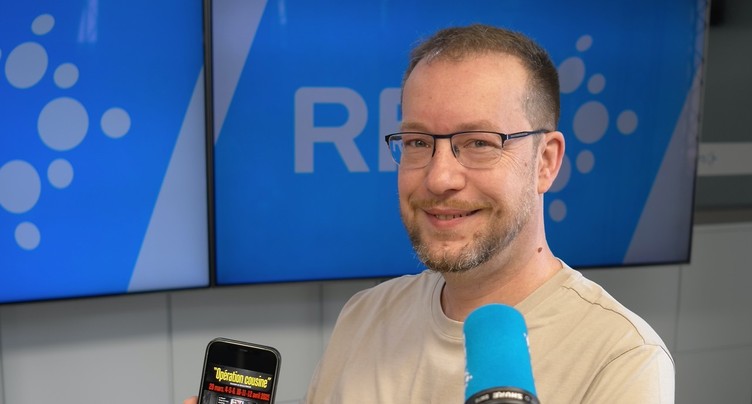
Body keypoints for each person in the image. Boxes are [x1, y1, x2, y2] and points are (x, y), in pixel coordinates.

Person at [302, 24, 675, 403]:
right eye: (417, 142)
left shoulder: (620, 359)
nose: (439, 178)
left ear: (545, 162)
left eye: (479, 143)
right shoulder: (363, 317)